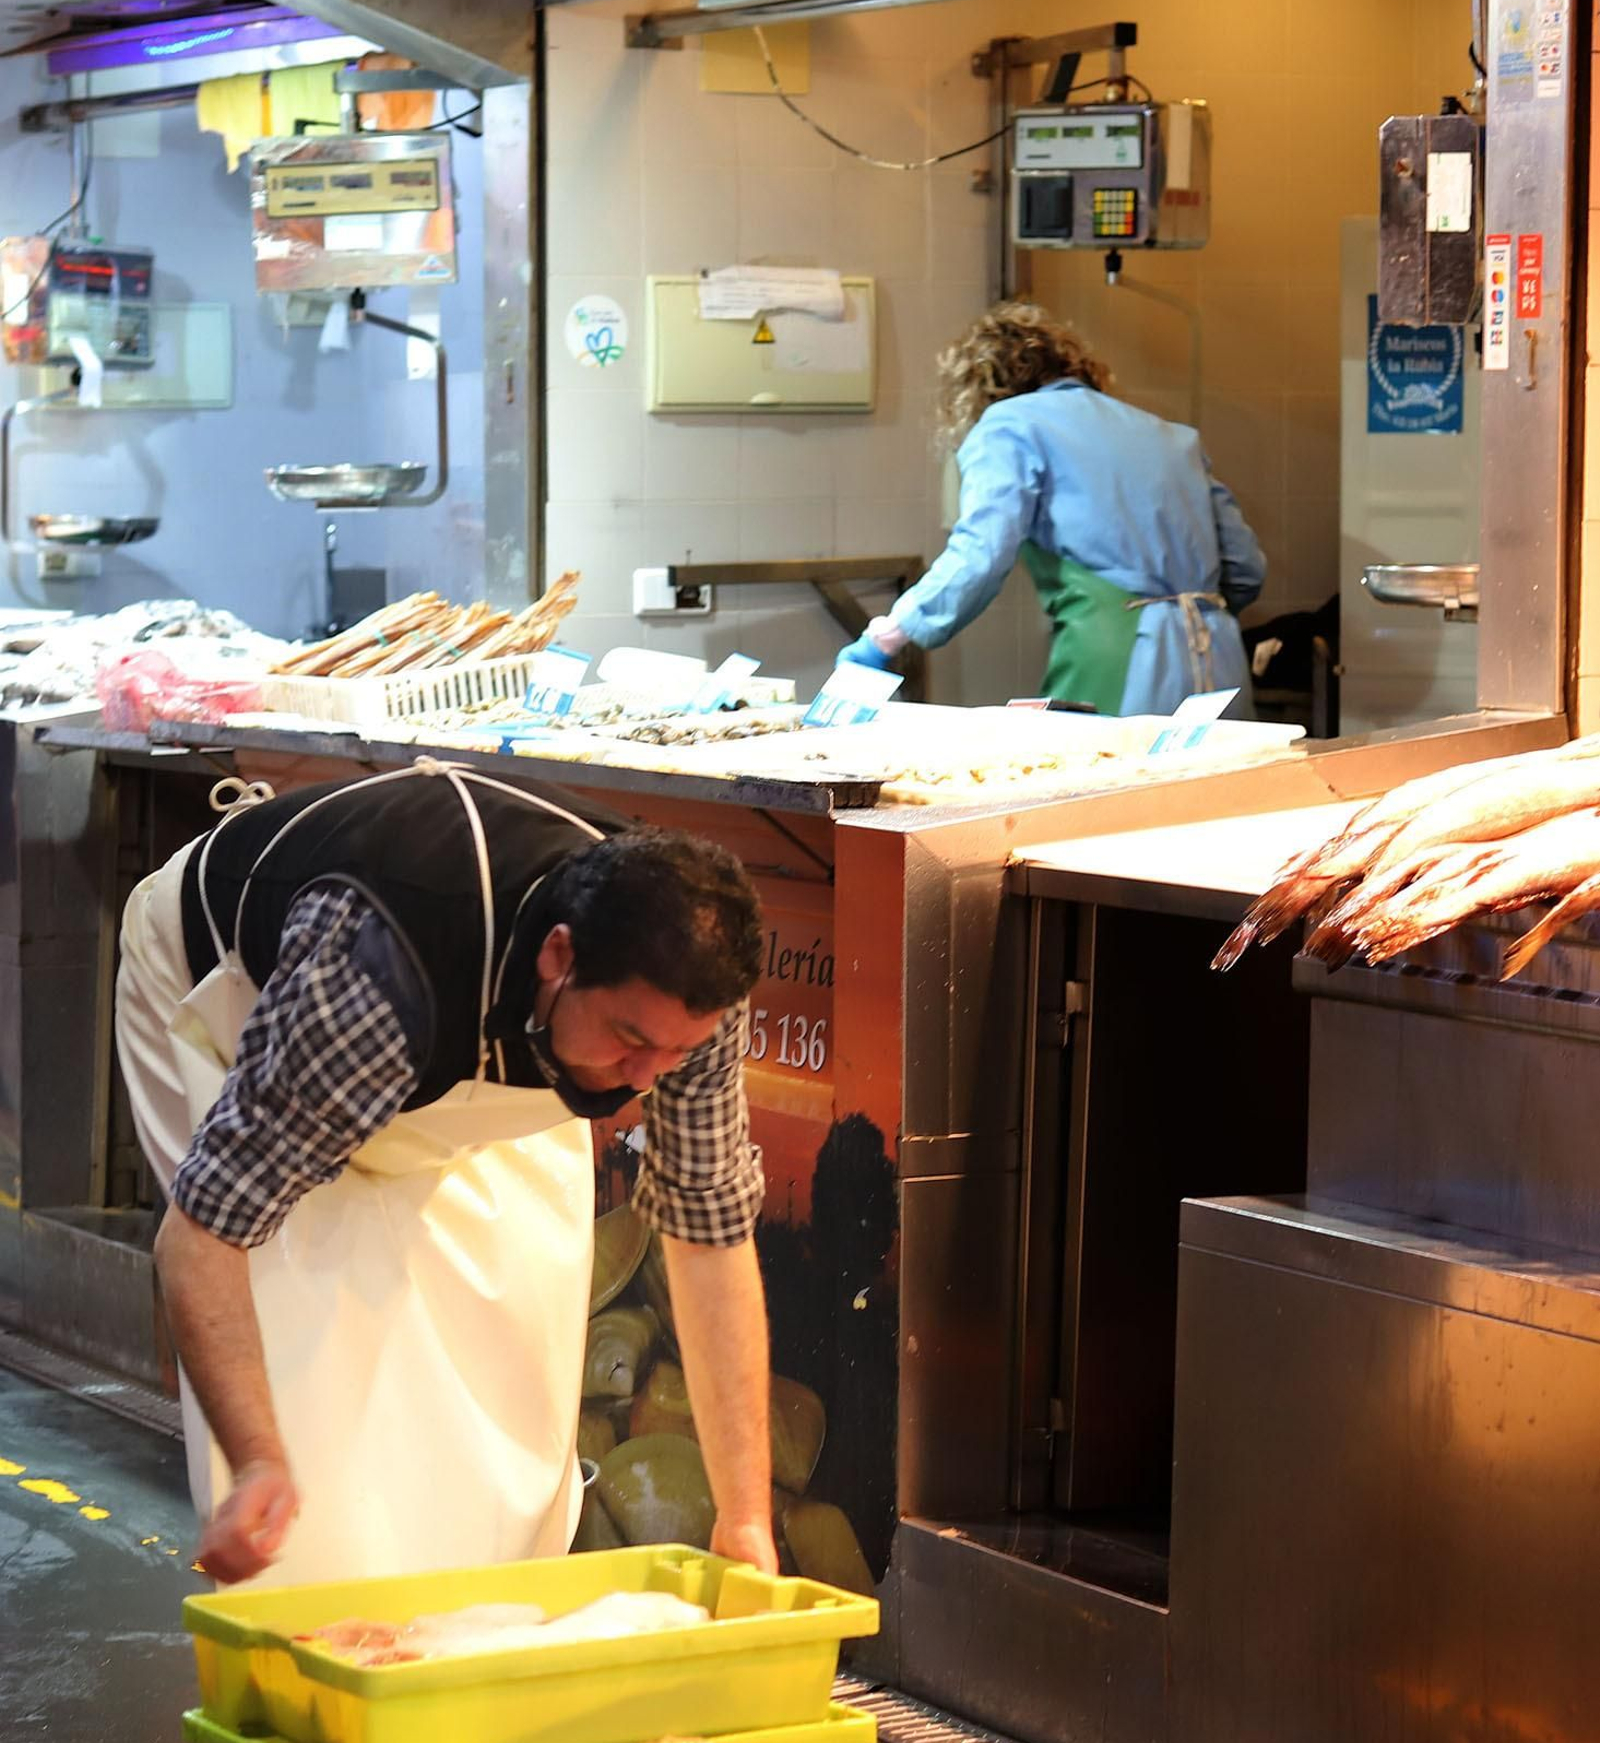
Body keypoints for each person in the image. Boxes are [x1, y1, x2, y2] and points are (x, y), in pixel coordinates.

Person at [114, 758, 778, 1589]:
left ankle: (485, 1651)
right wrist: (256, 1462)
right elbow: (201, 1237)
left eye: (674, 1052)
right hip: (247, 1005)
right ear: (558, 957)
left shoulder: (685, 990)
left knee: (510, 1389)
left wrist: (745, 1516)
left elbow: (708, 1231)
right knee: (317, 1420)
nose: (647, 1079)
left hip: (459, 1041)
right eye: (630, 1041)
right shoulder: (374, 980)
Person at [842, 300, 1266, 717]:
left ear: (983, 382)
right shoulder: (1173, 437)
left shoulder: (1009, 425)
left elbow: (981, 552)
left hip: (1119, 658)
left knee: (1100, 785)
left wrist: (889, 635)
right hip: (1219, 663)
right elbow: (1246, 567)